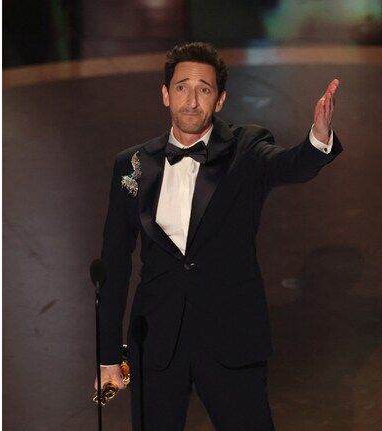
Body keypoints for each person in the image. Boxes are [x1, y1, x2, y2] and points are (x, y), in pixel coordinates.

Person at [95, 42, 341, 430]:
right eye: (182, 87)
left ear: (221, 99)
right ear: (165, 94)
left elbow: (292, 165)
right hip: (156, 344)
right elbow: (113, 263)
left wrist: (318, 138)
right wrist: (109, 356)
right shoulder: (132, 165)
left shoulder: (247, 150)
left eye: (204, 89)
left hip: (231, 339)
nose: (192, 100)